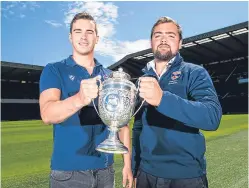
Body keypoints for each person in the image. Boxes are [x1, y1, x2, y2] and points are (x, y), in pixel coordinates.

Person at [39, 12, 133, 188]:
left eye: (89, 32)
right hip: (68, 172)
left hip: (105, 171)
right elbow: (47, 114)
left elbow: (122, 125)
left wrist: (127, 164)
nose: (84, 36)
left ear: (97, 38)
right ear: (70, 37)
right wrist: (80, 98)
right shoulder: (54, 70)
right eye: (78, 31)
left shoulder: (110, 76)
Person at [132, 16, 222, 188]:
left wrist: (162, 99)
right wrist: (135, 167)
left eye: (171, 35)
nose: (164, 39)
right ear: (151, 42)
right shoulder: (142, 80)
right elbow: (138, 127)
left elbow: (212, 117)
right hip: (146, 175)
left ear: (180, 43)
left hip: (186, 176)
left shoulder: (195, 72)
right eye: (158, 35)